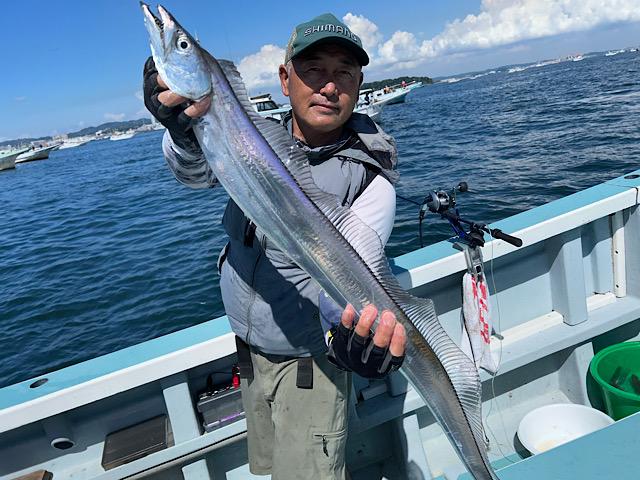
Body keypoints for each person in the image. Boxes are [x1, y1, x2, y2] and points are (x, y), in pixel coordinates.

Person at [143, 13, 407, 480]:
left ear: (359, 84)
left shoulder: (371, 182)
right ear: (285, 80)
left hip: (311, 366)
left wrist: (347, 339)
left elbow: (343, 283)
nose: (329, 86)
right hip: (251, 350)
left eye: (344, 73)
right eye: (314, 70)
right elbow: (196, 174)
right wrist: (183, 131)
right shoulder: (252, 136)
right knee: (270, 467)